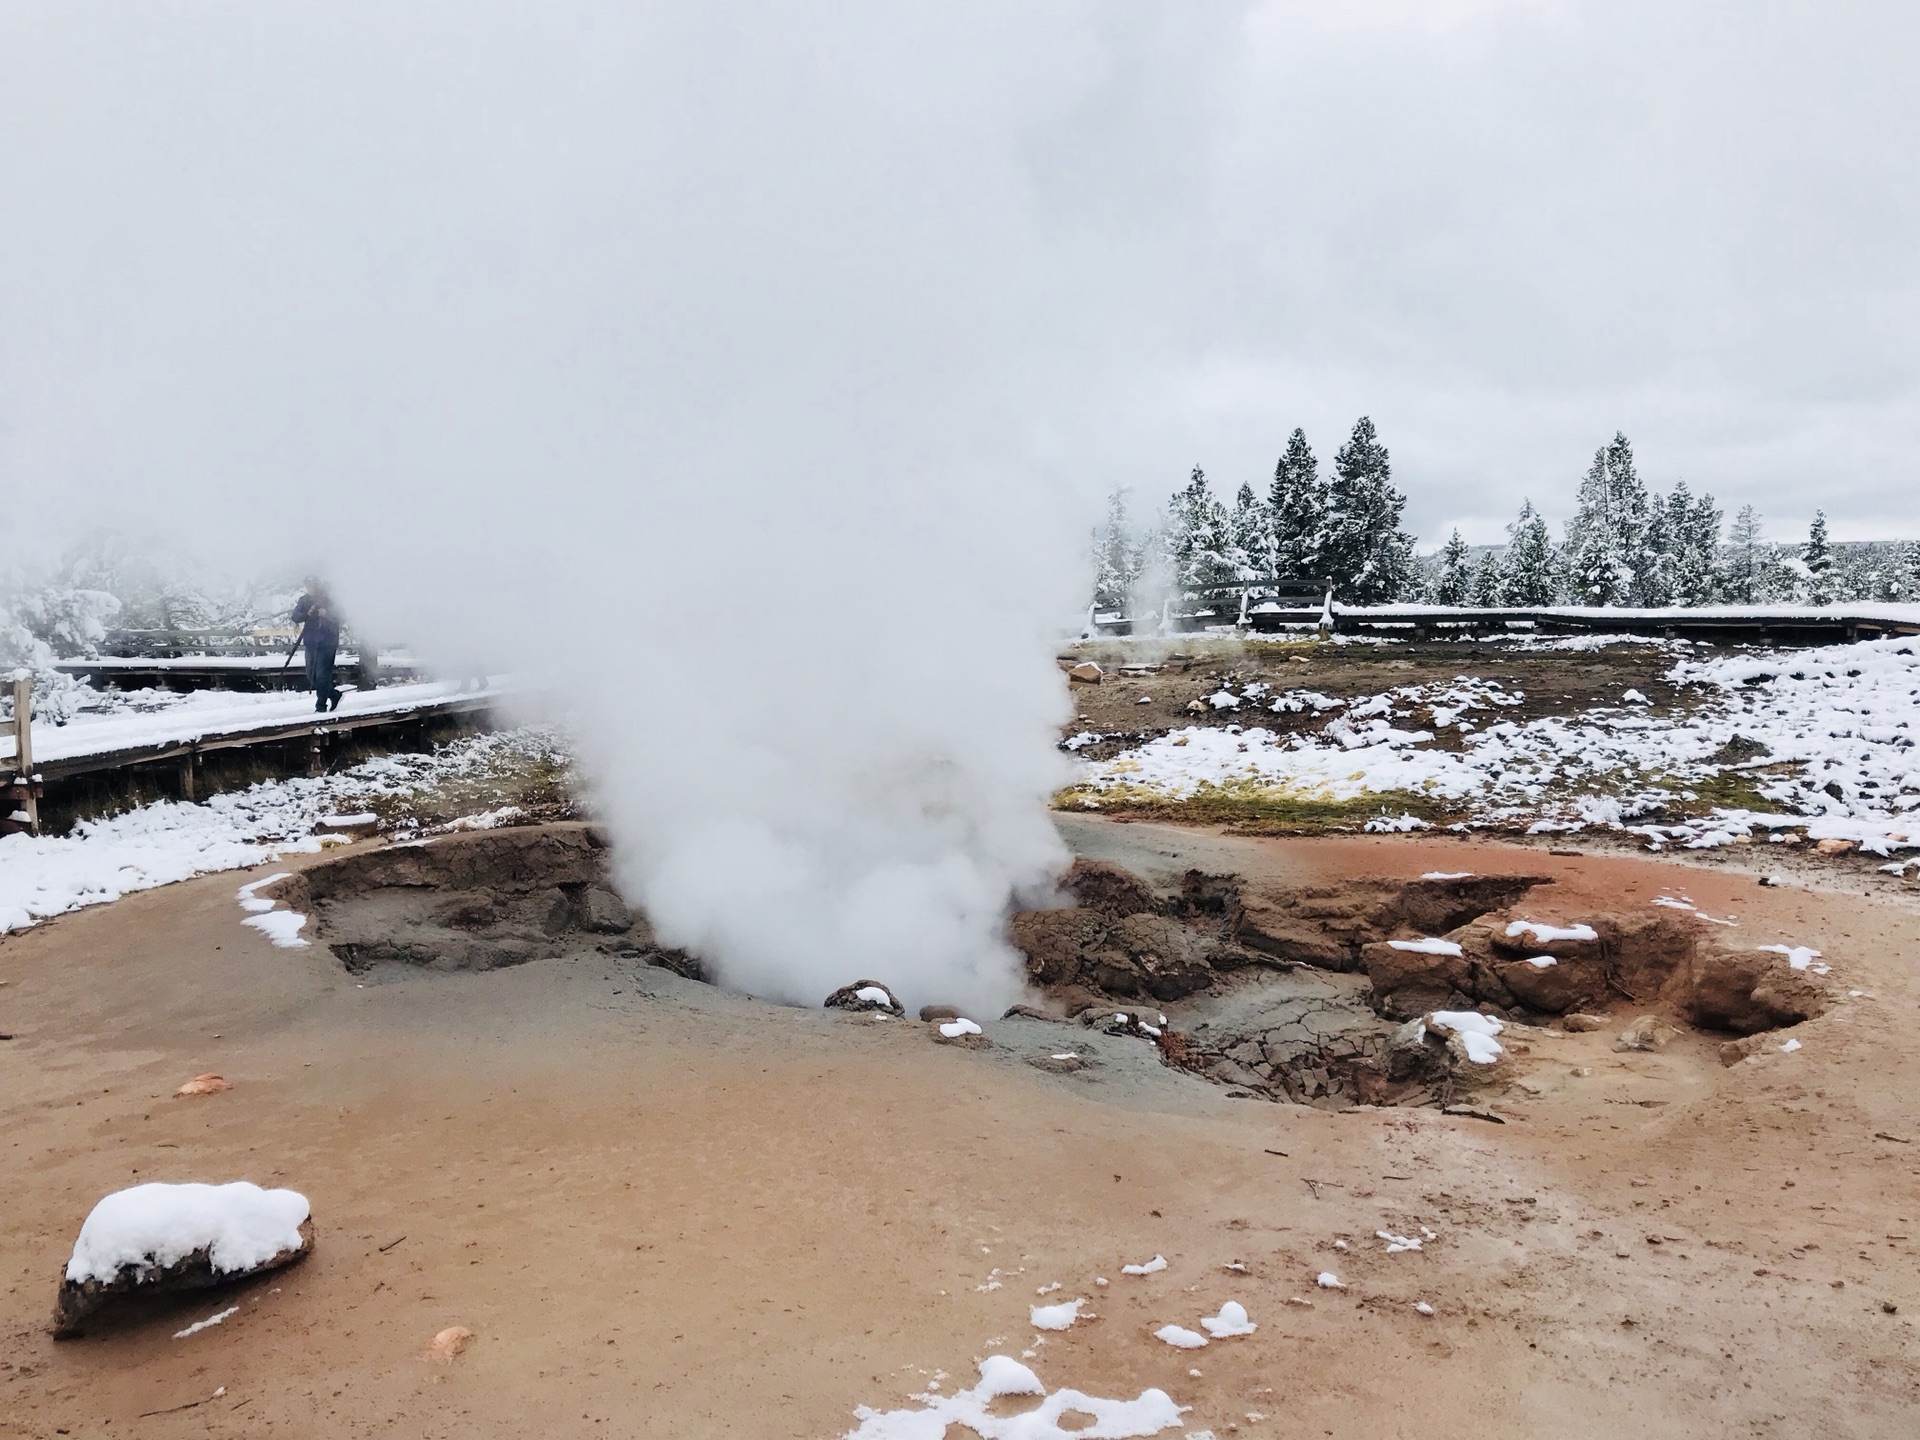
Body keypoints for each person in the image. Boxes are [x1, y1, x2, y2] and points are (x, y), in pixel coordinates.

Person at [290, 578, 343, 713]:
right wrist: (306, 614)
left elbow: (341, 617)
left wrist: (327, 614)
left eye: (313, 585)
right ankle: (333, 695)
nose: (310, 588)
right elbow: (295, 616)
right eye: (308, 585)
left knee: (322, 675)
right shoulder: (304, 600)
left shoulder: (330, 599)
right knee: (311, 676)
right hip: (311, 642)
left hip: (328, 642)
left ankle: (320, 707)